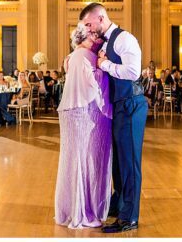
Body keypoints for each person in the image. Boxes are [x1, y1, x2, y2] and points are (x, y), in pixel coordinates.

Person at [79, 2, 149, 233]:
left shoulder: (124, 39)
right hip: (119, 106)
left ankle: (129, 218)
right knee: (119, 162)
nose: (88, 29)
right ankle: (119, 207)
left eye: (89, 24)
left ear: (100, 18)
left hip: (131, 104)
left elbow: (133, 72)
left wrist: (104, 64)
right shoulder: (105, 42)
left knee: (129, 163)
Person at [54, 26, 113, 229]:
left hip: (79, 111)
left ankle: (79, 207)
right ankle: (81, 212)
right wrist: (102, 66)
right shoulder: (82, 55)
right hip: (81, 112)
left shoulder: (77, 55)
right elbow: (91, 86)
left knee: (81, 159)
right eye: (94, 34)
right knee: (81, 159)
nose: (97, 37)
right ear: (85, 37)